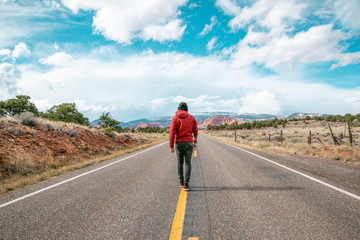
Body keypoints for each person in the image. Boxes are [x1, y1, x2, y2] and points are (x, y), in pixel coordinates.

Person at [169, 102, 198, 191]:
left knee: (180, 163)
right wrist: (195, 140)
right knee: (188, 163)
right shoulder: (191, 118)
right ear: (186, 109)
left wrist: (171, 146)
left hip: (179, 143)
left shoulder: (175, 118)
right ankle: (186, 184)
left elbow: (172, 133)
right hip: (189, 143)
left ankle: (181, 182)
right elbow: (195, 129)